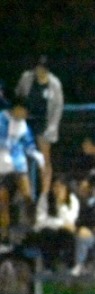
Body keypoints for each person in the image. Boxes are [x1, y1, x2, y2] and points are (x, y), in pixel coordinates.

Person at [0, 97, 45, 249]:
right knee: (2, 201)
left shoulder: (23, 124)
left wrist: (35, 153)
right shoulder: (1, 119)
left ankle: (33, 228)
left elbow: (28, 142)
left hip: (18, 165)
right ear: (17, 108)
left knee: (27, 195)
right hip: (2, 166)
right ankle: (4, 236)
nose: (25, 115)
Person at [15, 55, 64, 193]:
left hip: (44, 124)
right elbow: (18, 96)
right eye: (38, 67)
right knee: (21, 158)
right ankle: (24, 193)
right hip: (26, 122)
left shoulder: (55, 84)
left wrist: (52, 128)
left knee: (44, 160)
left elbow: (57, 108)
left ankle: (44, 194)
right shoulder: (26, 78)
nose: (39, 70)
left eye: (43, 68)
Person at [23, 174, 79, 270]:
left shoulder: (72, 200)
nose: (57, 189)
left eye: (60, 186)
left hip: (62, 232)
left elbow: (70, 221)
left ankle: (70, 266)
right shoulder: (44, 198)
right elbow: (41, 221)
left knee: (67, 234)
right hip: (45, 232)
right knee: (48, 233)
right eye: (55, 186)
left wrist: (61, 204)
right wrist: (59, 223)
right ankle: (49, 266)